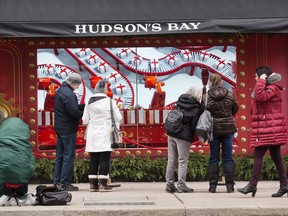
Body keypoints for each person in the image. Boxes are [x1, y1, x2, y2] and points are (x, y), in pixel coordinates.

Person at [237, 66, 288, 197]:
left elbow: (261, 97)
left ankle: (252, 185)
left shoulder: (271, 88)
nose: (255, 79)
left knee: (258, 154)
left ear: (263, 77)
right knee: (276, 157)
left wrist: (260, 80)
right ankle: (284, 185)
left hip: (270, 128)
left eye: (256, 76)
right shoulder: (268, 87)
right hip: (269, 127)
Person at [82, 80, 122, 192]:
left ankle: (93, 185)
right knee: (104, 157)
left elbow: (85, 120)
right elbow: (118, 118)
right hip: (106, 132)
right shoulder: (110, 101)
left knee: (93, 158)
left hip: (93, 132)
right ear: (105, 90)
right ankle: (103, 185)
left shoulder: (88, 101)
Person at [203, 73, 238, 193]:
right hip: (228, 129)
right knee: (228, 157)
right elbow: (235, 110)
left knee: (214, 157)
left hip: (214, 130)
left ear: (211, 82)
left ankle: (213, 186)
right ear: (221, 82)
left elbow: (204, 112)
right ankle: (230, 185)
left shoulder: (207, 96)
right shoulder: (229, 94)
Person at [165, 86, 203, 193]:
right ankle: (181, 185)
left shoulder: (180, 101)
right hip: (183, 136)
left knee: (171, 159)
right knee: (182, 160)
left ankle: (169, 184)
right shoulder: (196, 108)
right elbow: (194, 126)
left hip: (172, 133)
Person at [53, 73, 85, 191]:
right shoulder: (70, 95)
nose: (77, 87)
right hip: (68, 128)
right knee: (68, 156)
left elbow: (67, 109)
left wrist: (80, 106)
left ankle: (57, 181)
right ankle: (65, 183)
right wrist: (84, 112)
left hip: (59, 127)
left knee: (60, 156)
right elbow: (74, 113)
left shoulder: (60, 91)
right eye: (78, 85)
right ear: (75, 84)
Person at [0, 117, 36, 205]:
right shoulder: (25, 145)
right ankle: (17, 194)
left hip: (2, 184)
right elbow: (31, 165)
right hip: (22, 186)